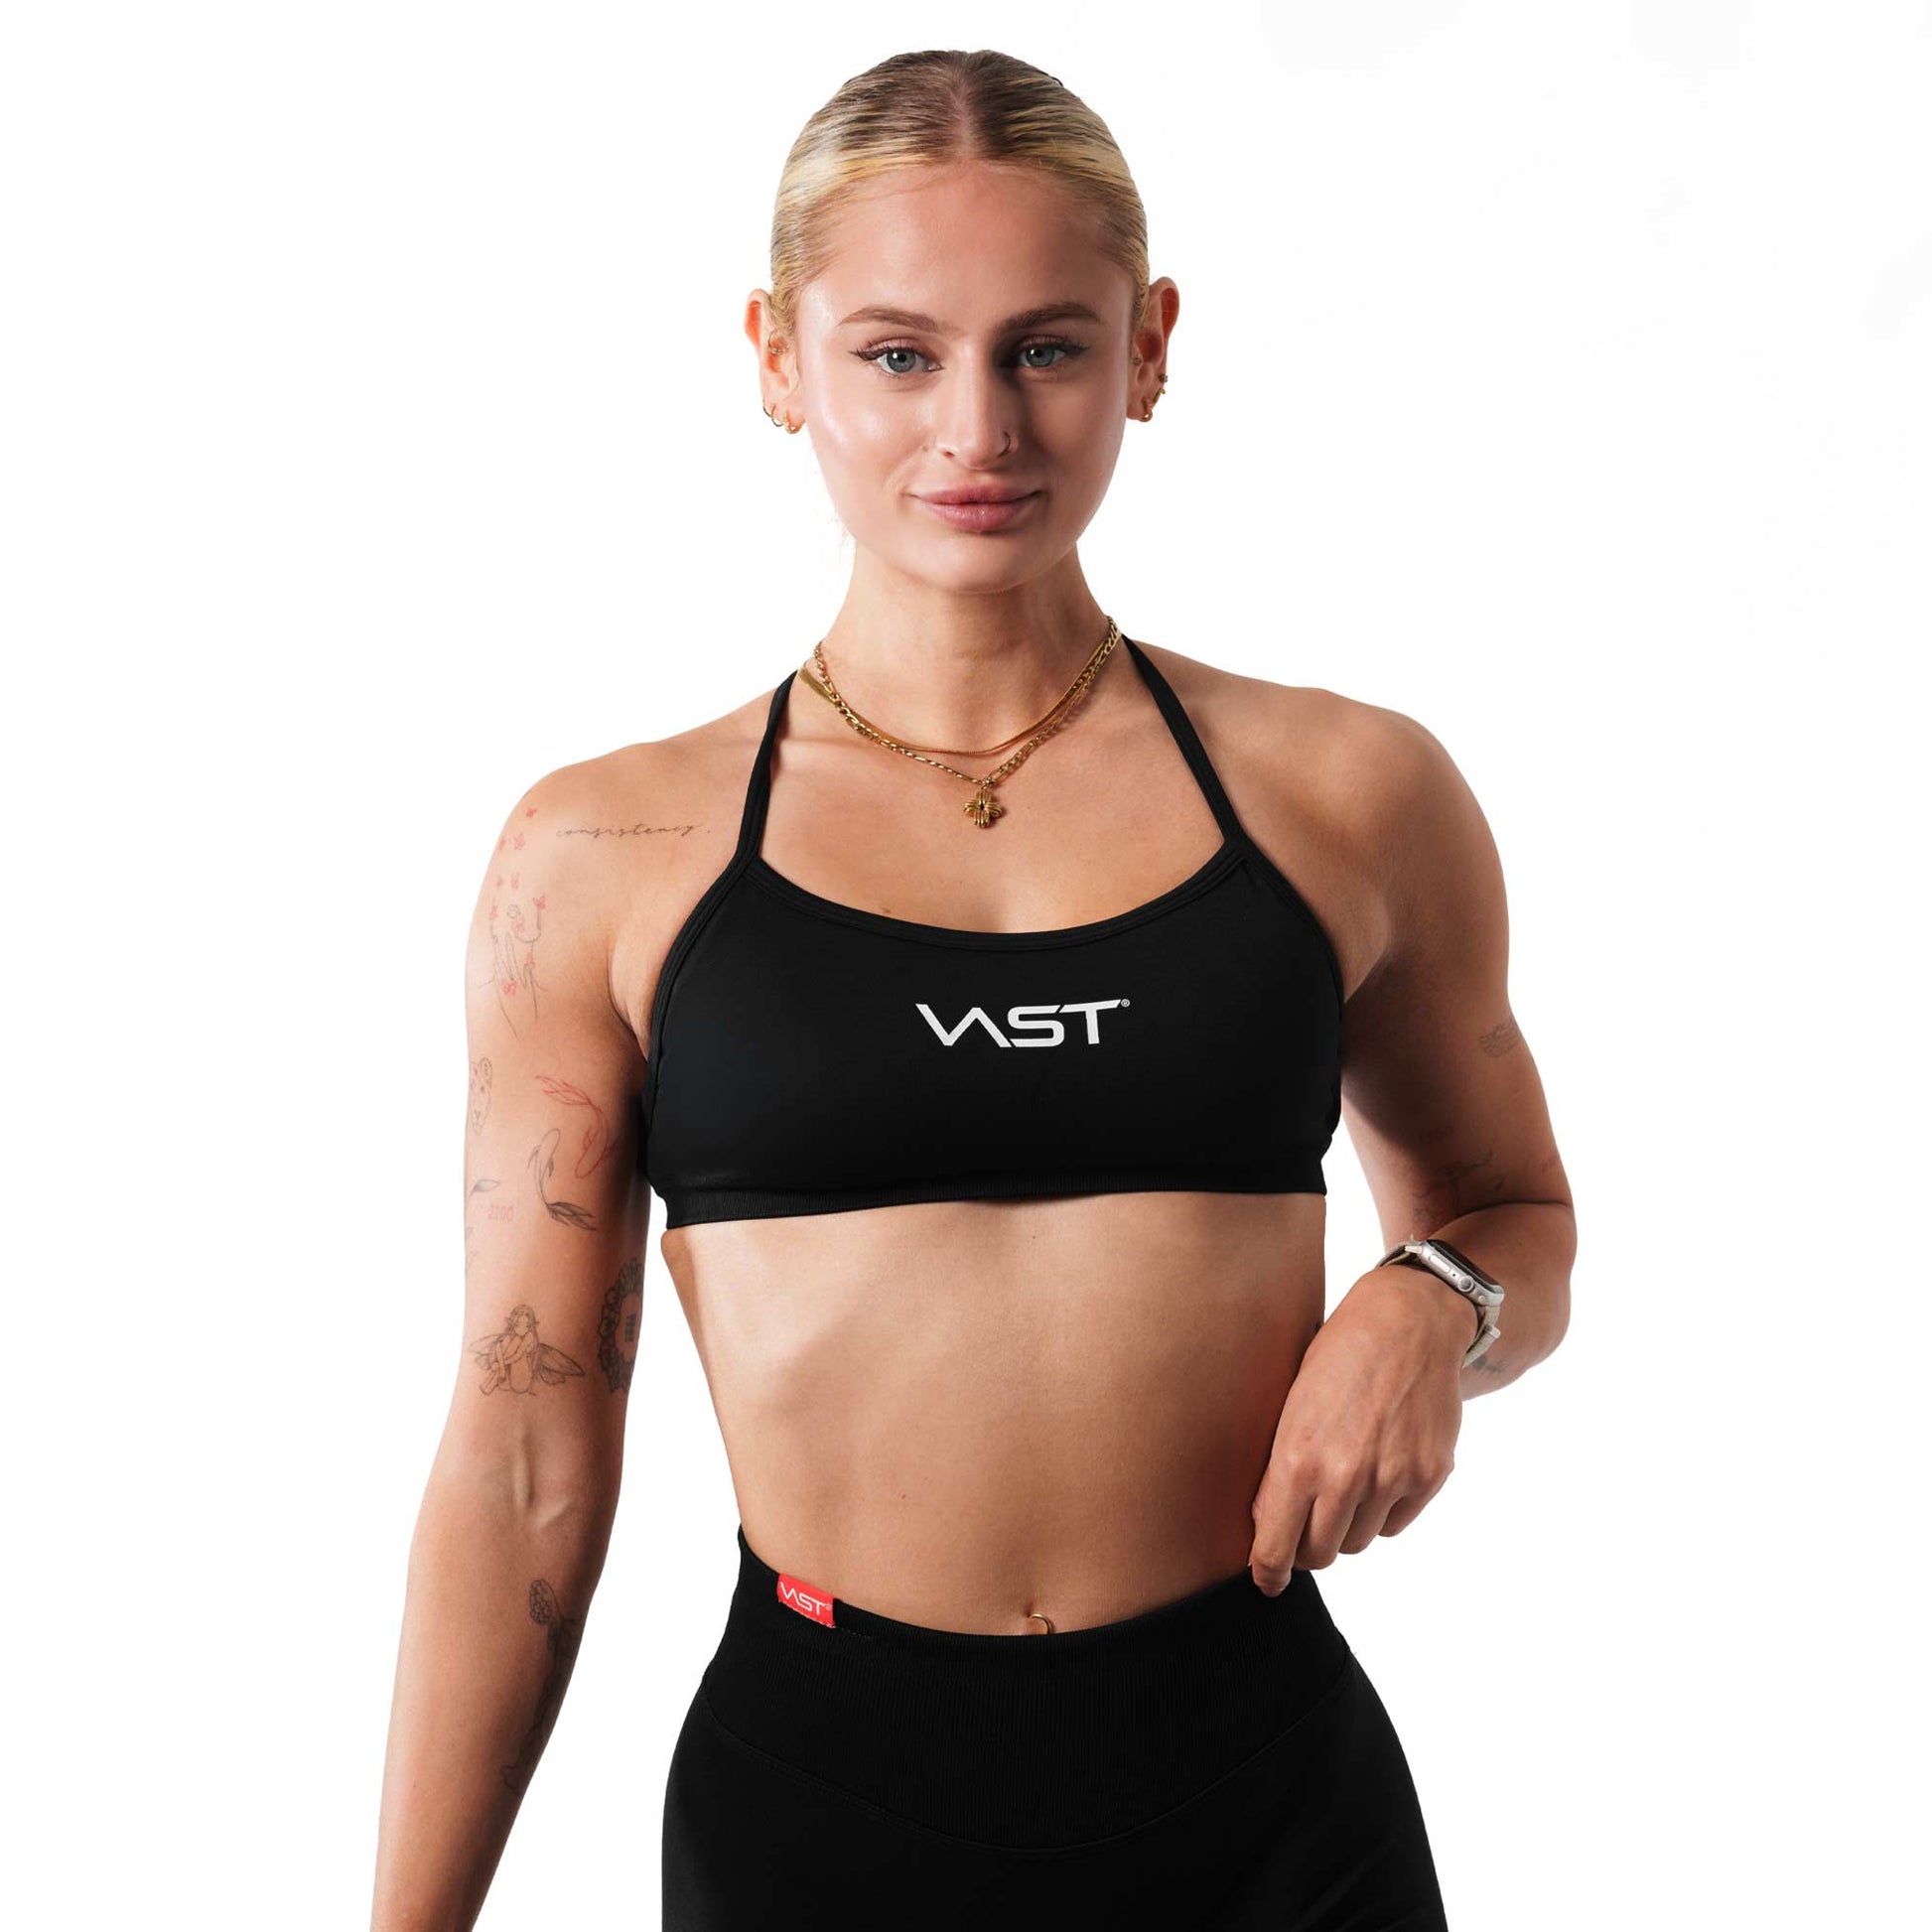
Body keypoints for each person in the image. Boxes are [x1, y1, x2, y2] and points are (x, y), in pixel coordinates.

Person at [369, 47, 1576, 1932]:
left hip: (1265, 1799)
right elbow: (526, 1449)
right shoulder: (608, 853)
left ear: (1148, 348)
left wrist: (1432, 1297)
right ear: (778, 357)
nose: (978, 429)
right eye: (897, 353)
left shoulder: (1346, 795)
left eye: (1046, 348)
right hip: (824, 1806)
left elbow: (1517, 1221)